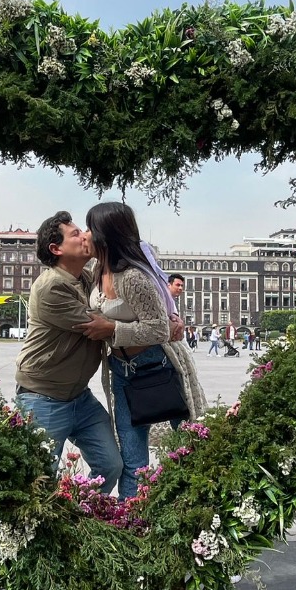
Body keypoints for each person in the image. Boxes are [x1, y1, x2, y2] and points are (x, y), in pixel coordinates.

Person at [78, 202, 205, 499]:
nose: (85, 235)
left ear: (105, 235)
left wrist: (111, 330)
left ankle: (198, 505)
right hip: (122, 373)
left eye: (88, 228)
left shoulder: (132, 278)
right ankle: (133, 521)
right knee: (133, 459)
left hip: (159, 366)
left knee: (190, 441)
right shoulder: (98, 270)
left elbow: (159, 328)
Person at [14, 211, 123, 494]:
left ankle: (77, 513)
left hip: (79, 397)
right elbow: (97, 324)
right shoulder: (51, 286)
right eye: (76, 234)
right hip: (42, 398)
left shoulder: (86, 278)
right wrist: (148, 324)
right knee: (39, 480)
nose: (85, 235)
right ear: (56, 249)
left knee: (110, 465)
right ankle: (51, 528)